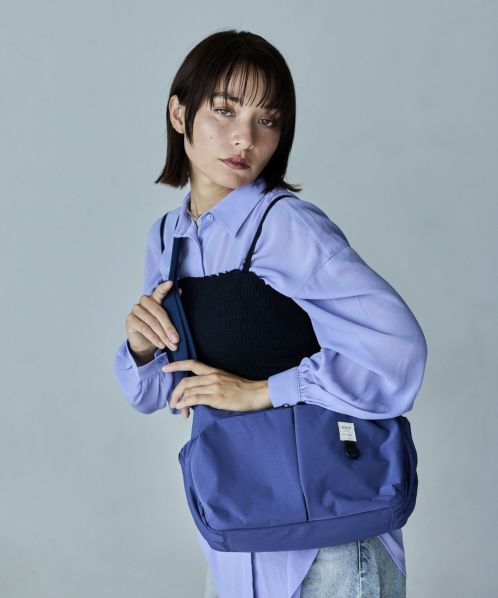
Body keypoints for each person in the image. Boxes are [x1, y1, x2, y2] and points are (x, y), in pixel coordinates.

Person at [113, 29, 427, 598]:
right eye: (225, 110)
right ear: (179, 113)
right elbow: (161, 392)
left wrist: (261, 391)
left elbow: (395, 354)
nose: (245, 138)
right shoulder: (168, 238)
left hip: (331, 538)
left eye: (267, 119)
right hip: (237, 532)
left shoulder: (285, 226)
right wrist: (140, 348)